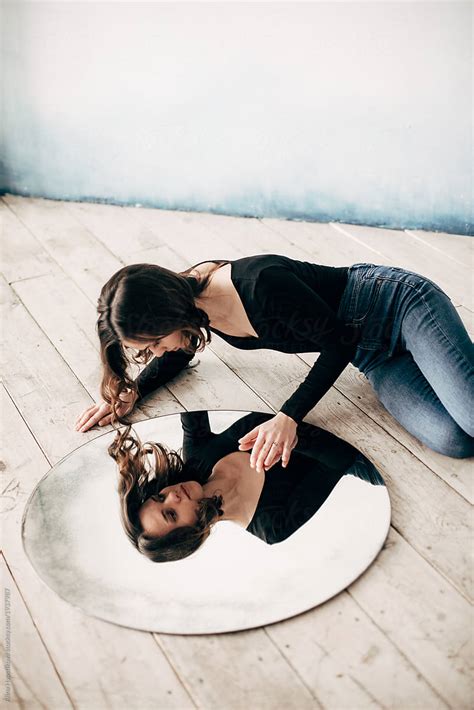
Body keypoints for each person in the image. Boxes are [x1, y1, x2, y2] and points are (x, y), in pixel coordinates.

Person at [76, 254, 474, 462]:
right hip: (375, 356)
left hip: (400, 304)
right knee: (454, 439)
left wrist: (288, 417)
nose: (157, 352)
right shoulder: (195, 307)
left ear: (171, 314)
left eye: (156, 341)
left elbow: (339, 340)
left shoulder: (260, 285)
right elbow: (179, 354)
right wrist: (134, 392)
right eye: (149, 350)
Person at [109, 410, 384, 562]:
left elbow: (187, 393)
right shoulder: (273, 525)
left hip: (327, 400)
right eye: (171, 513)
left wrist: (128, 393)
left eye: (160, 496)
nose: (172, 496)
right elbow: (340, 462)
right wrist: (284, 435)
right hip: (369, 453)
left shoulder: (196, 460)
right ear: (191, 532)